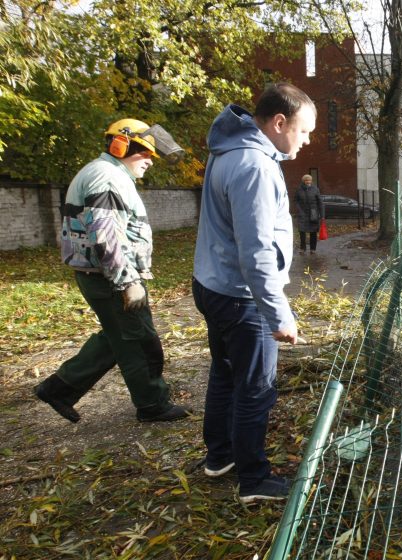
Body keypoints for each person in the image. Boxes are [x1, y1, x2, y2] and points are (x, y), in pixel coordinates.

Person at [192, 82, 316, 504]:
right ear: (279, 122)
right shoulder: (255, 167)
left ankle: (220, 456)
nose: (308, 139)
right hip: (242, 297)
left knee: (225, 373)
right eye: (303, 131)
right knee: (256, 387)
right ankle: (253, 479)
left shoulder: (228, 153)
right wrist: (278, 315)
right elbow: (257, 250)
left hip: (213, 284)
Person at [34, 118, 190, 424]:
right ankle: (152, 404)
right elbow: (106, 236)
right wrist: (127, 281)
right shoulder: (107, 178)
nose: (149, 160)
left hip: (101, 276)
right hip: (110, 278)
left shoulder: (108, 174)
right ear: (121, 145)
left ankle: (59, 388)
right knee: (141, 343)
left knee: (118, 337)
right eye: (144, 153)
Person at [294, 174, 324, 255]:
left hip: (313, 213)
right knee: (302, 231)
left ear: (311, 181)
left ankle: (313, 248)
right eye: (306, 180)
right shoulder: (299, 189)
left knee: (313, 232)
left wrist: (322, 215)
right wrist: (298, 209)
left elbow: (320, 202)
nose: (308, 182)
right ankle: (302, 248)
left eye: (309, 180)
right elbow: (296, 200)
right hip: (302, 213)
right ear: (303, 181)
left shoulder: (315, 189)